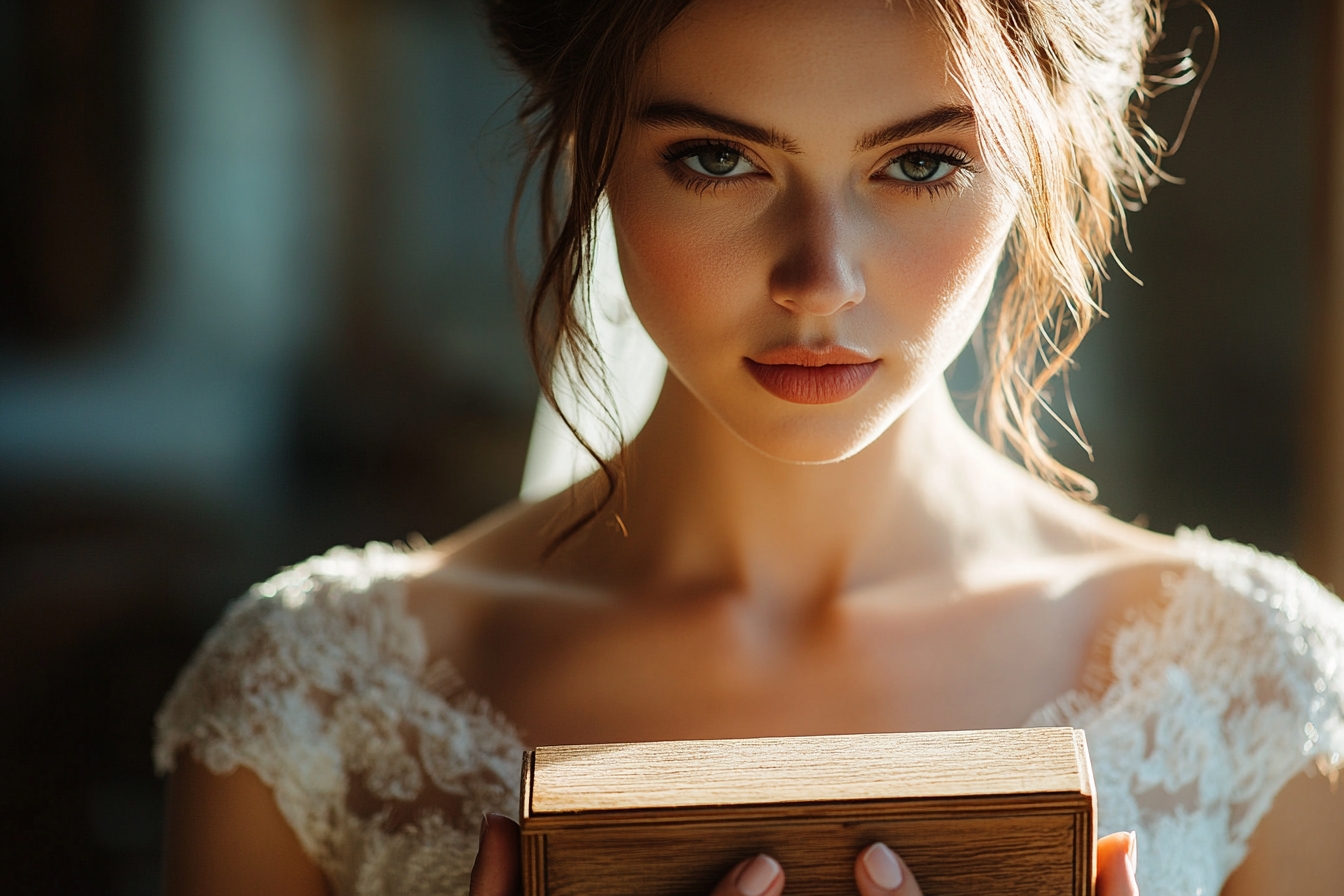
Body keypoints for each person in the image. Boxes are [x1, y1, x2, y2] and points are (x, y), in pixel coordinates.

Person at [153, 0, 1344, 894]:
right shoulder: (304, 703)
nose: (818, 280)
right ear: (588, 143)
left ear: (1045, 154)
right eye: (718, 158)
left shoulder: (1259, 687)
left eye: (919, 162)